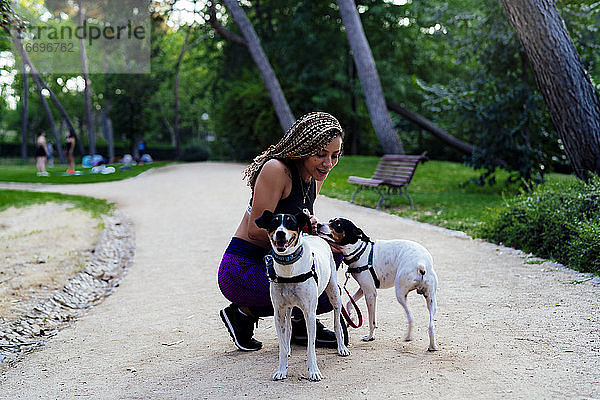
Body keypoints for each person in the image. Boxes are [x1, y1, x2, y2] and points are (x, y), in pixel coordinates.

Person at [218, 111, 346, 351]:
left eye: (334, 155)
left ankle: (300, 325)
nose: (328, 163)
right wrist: (305, 237)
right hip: (244, 268)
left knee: (331, 268)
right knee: (314, 289)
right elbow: (256, 232)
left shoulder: (314, 176)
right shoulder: (276, 170)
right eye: (321, 154)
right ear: (303, 147)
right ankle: (242, 314)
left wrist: (318, 235)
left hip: (278, 260)